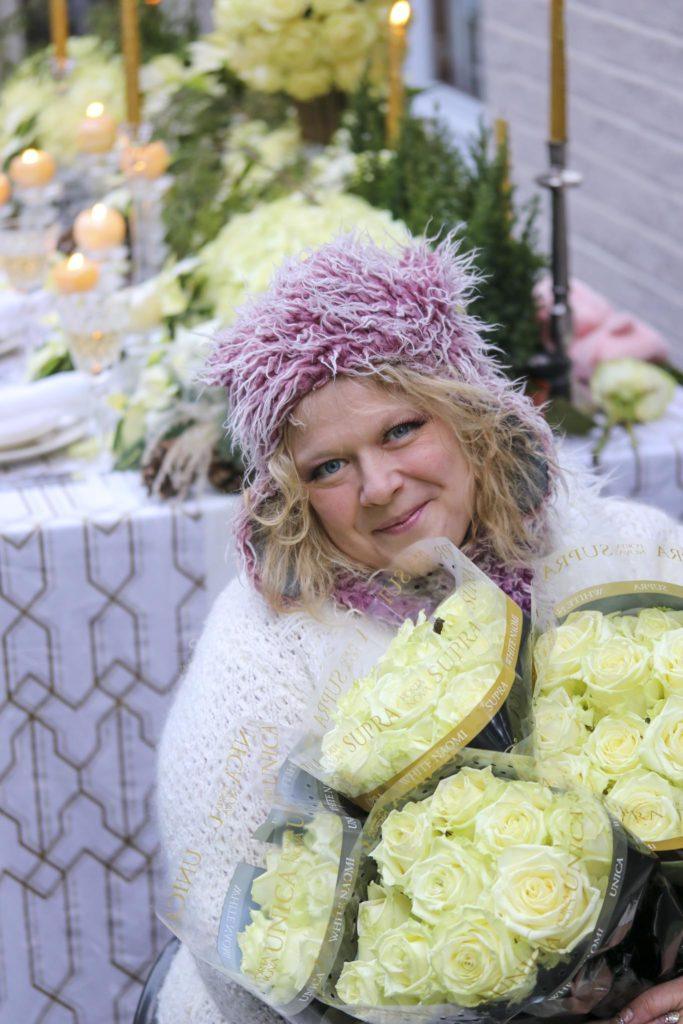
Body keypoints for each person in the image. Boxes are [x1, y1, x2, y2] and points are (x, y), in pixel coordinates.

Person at [154, 233, 675, 1024]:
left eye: (400, 430)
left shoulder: (633, 550)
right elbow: (232, 935)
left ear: (468, 414)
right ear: (290, 497)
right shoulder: (264, 649)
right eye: (328, 467)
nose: (379, 485)